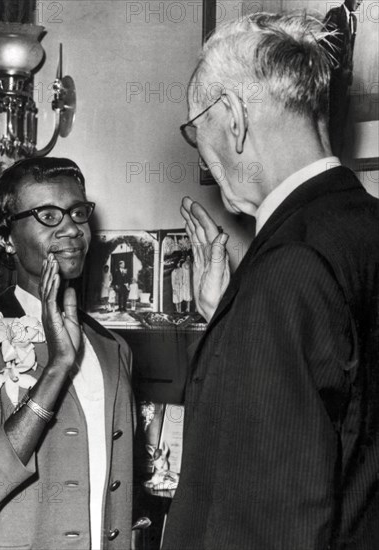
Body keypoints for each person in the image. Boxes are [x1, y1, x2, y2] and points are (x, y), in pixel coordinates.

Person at [162, 12, 379, 549]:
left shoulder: (288, 265)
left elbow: (265, 516)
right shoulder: (363, 229)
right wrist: (233, 320)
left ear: (232, 116)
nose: (208, 168)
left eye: (197, 134)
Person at [0, 158, 136, 550]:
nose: (71, 228)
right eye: (48, 215)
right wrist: (56, 369)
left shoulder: (113, 348)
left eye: (78, 212)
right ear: (7, 239)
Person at [323, 0, 362, 157]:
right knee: (332, 123)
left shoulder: (353, 20)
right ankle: (330, 158)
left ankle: (337, 158)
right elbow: (325, 48)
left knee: (341, 122)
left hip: (345, 82)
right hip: (333, 82)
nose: (360, 2)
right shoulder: (334, 15)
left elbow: (349, 50)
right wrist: (339, 73)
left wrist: (349, 72)